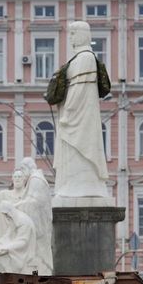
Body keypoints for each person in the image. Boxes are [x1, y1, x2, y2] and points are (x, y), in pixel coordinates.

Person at [53, 21, 109, 197]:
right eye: (70, 34)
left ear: (84, 35)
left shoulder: (85, 58)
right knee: (74, 151)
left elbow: (78, 89)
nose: (70, 37)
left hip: (80, 115)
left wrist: (67, 114)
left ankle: (81, 187)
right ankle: (74, 186)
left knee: (79, 148)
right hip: (79, 113)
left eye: (73, 33)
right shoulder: (79, 58)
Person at [0, 200, 37, 274]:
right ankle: (1, 276)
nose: (6, 216)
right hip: (16, 247)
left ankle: (6, 276)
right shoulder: (13, 219)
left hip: (24, 252)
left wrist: (6, 247)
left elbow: (23, 241)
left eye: (6, 214)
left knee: (1, 255)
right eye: (4, 214)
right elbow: (8, 235)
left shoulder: (23, 222)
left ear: (11, 212)